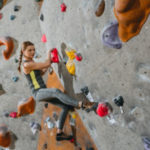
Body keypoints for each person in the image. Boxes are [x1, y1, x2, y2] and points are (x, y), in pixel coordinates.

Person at [18, 41, 95, 141]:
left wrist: (50, 63)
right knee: (55, 91)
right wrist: (49, 54)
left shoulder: (31, 63)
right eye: (29, 50)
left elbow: (41, 72)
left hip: (43, 91)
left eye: (33, 50)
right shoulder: (26, 65)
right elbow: (46, 63)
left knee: (65, 107)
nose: (32, 52)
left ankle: (59, 133)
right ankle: (81, 104)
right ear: (23, 51)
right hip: (38, 92)